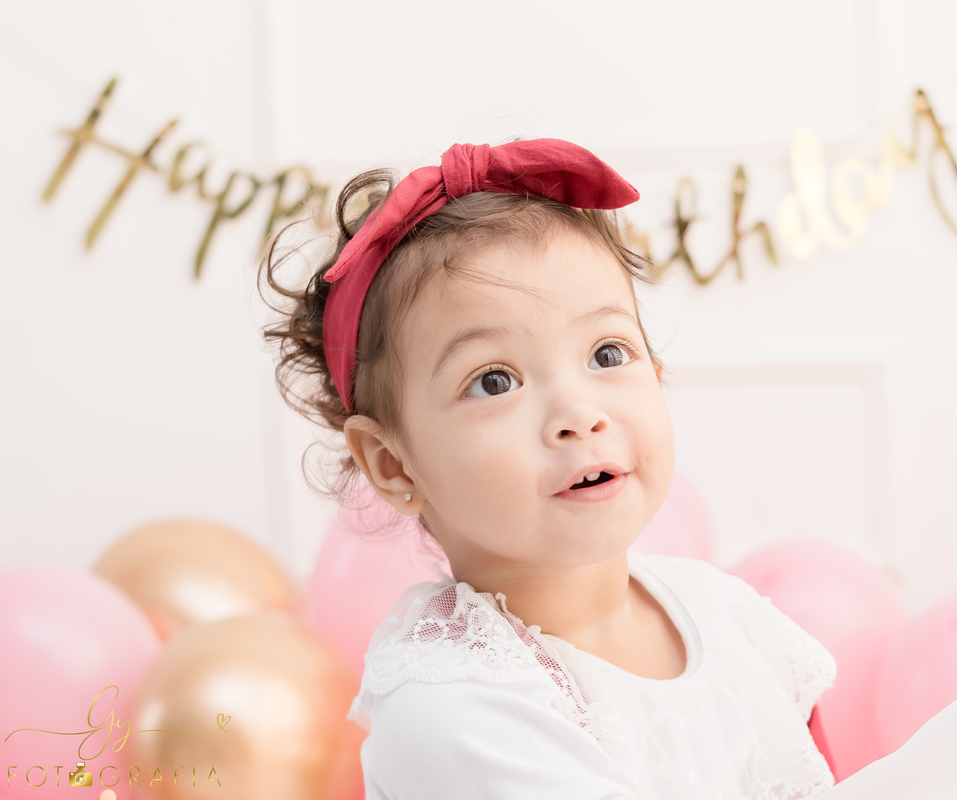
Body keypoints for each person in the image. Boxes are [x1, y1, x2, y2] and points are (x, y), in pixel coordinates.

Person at [261, 139, 837, 799]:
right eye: (495, 380)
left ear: (656, 373)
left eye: (607, 353)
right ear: (394, 464)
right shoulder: (452, 708)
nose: (579, 412)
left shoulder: (728, 616)